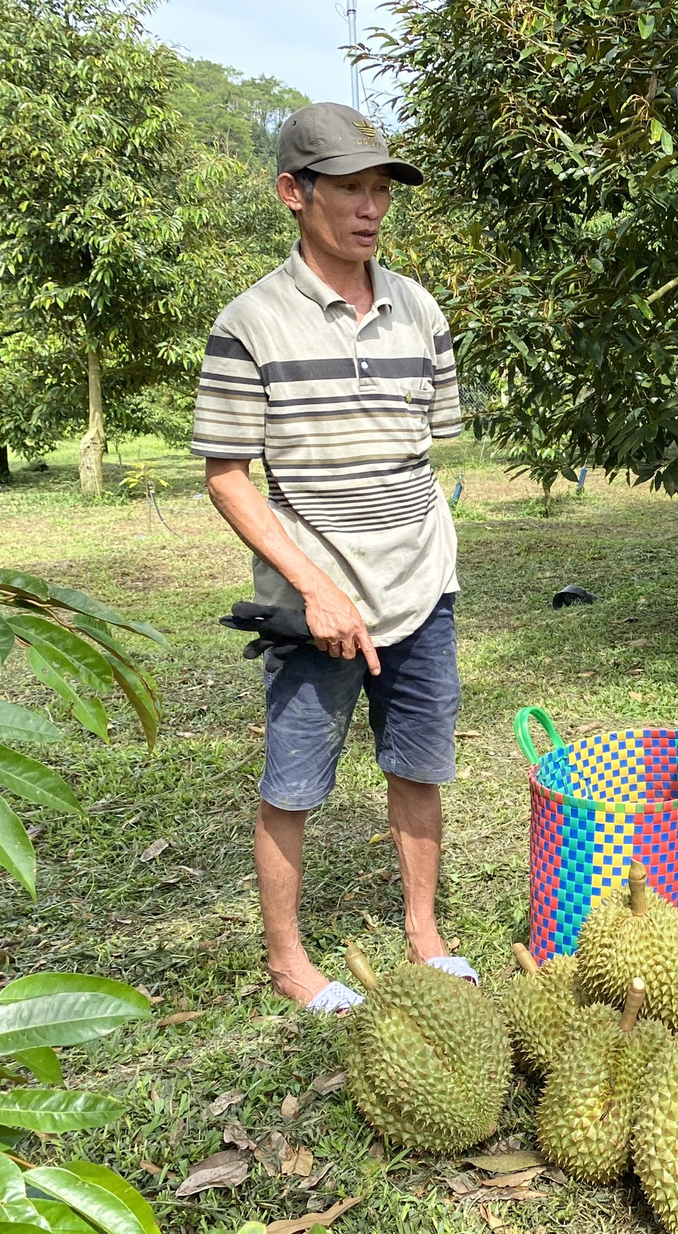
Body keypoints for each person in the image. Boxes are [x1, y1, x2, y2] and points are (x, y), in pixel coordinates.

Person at [191, 103, 473, 1014]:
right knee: (296, 782)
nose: (371, 207)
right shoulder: (251, 324)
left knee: (419, 765)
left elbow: (425, 450)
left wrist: (421, 564)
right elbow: (228, 475)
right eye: (350, 187)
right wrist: (317, 588)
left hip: (423, 584)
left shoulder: (418, 310)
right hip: (315, 605)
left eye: (381, 189)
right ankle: (288, 962)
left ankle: (425, 935)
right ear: (293, 192)